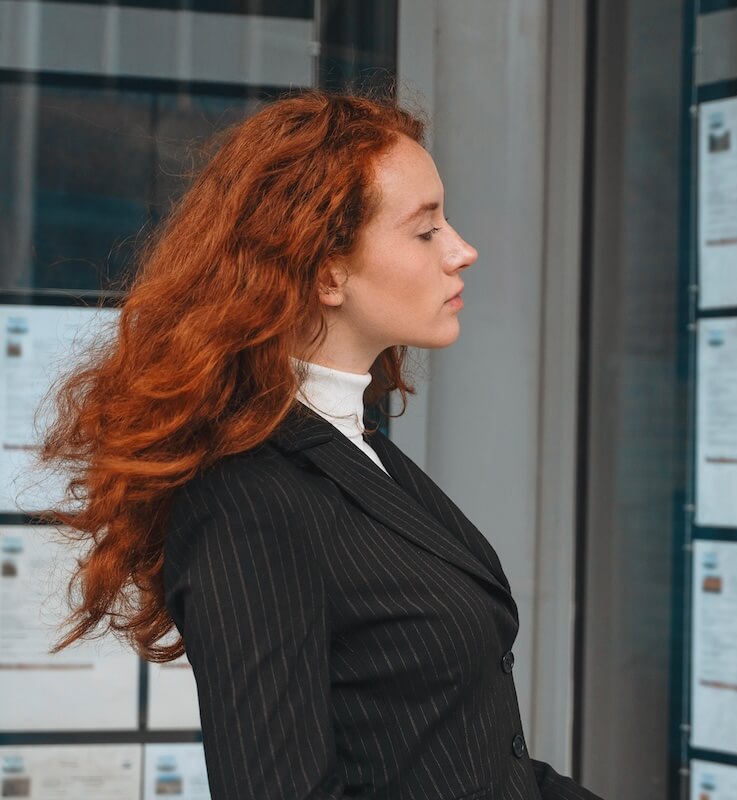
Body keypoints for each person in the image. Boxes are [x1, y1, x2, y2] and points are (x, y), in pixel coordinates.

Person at [39, 90, 603, 800]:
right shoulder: (247, 497)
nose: (462, 250)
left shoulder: (355, 446)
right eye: (425, 230)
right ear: (327, 272)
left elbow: (465, 756)